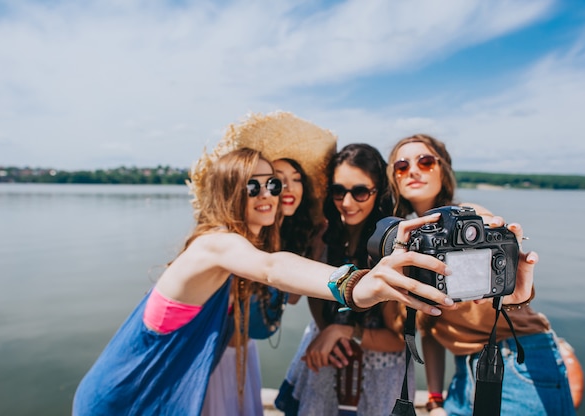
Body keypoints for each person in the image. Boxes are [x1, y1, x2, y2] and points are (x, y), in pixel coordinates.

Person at [71, 145, 458, 415]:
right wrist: (356, 285)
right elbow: (272, 267)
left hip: (163, 392)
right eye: (252, 186)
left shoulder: (242, 248)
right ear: (227, 193)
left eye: (273, 184)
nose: (270, 194)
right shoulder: (215, 245)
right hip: (124, 396)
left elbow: (278, 270)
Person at [386, 133, 575, 415]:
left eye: (425, 162)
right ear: (394, 179)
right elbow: (431, 329)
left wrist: (493, 237)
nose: (413, 170)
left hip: (514, 357)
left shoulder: (469, 217)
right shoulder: (408, 242)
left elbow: (505, 278)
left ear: (443, 170)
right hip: (465, 370)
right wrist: (435, 399)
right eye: (402, 166)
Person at [201, 112, 335, 416]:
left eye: (296, 180)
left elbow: (292, 295)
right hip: (216, 356)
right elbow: (270, 269)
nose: (286, 189)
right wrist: (352, 284)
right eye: (277, 182)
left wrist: (316, 243)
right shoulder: (237, 237)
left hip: (244, 353)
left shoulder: (291, 235)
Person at [276, 143, 416, 416]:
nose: (347, 203)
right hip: (325, 358)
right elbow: (312, 295)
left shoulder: (395, 245)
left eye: (360, 192)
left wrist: (344, 331)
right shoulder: (325, 235)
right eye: (339, 191)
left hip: (378, 375)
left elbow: (399, 339)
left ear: (379, 192)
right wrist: (326, 329)